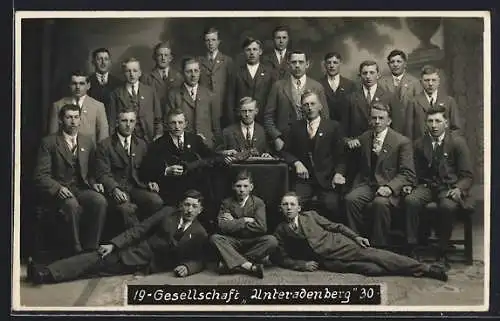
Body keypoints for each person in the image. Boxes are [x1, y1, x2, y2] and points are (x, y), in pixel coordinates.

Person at [26, 190, 209, 285]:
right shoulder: (168, 212)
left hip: (149, 265)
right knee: (96, 259)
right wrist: (114, 244)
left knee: (94, 265)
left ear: (200, 210)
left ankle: (45, 272)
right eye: (186, 205)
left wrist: (187, 267)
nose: (189, 210)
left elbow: (200, 259)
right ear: (180, 205)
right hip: (135, 252)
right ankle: (45, 272)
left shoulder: (200, 232)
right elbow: (140, 229)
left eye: (194, 207)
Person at [272, 192, 448, 281]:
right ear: (281, 208)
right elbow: (281, 258)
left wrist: (356, 238)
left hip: (340, 245)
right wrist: (301, 264)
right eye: (285, 204)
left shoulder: (310, 215)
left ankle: (426, 269)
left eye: (292, 204)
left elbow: (337, 226)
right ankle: (410, 270)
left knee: (376, 255)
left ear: (299, 207)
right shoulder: (280, 230)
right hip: (327, 261)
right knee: (372, 270)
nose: (289, 207)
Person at [403, 107, 473, 268]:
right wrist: (409, 185)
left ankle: (442, 251)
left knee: (447, 206)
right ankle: (412, 247)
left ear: (446, 123)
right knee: (410, 201)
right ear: (425, 123)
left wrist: (458, 188)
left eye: (438, 121)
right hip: (427, 186)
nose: (434, 125)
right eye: (430, 121)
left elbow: (467, 175)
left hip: (448, 187)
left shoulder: (457, 143)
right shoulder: (420, 144)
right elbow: (415, 172)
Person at [34, 104, 108, 255]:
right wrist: (58, 188)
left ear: (80, 120)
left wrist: (95, 184)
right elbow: (41, 176)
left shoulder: (87, 142)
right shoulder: (49, 143)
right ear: (61, 120)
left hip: (80, 189)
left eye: (76, 117)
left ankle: (91, 248)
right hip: (59, 192)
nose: (73, 122)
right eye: (69, 117)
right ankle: (76, 250)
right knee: (72, 205)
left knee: (99, 201)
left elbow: (92, 172)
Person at [344, 103, 415, 248]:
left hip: (390, 186)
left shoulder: (401, 142)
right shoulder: (366, 137)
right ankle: (357, 242)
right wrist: (350, 142)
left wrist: (390, 187)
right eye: (374, 118)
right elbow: (350, 143)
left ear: (389, 121)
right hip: (369, 185)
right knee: (350, 200)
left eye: (381, 118)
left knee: (380, 203)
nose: (377, 122)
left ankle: (379, 246)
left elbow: (407, 173)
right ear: (370, 120)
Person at [140, 108, 225, 212]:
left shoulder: (195, 139)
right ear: (167, 125)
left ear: (186, 124)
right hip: (170, 187)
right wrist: (166, 170)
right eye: (173, 123)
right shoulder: (158, 144)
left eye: (180, 122)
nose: (177, 126)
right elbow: (146, 169)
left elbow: (211, 157)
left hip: (194, 186)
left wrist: (193, 166)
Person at [280, 90, 346, 221]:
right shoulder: (295, 127)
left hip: (327, 180)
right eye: (306, 104)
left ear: (320, 106)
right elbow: (285, 151)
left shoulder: (333, 127)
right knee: (292, 205)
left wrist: (339, 173)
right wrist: (296, 163)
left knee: (331, 205)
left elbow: (341, 156)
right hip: (304, 181)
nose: (309, 107)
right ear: (301, 108)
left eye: (312, 104)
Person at [95, 107, 164, 228]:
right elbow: (102, 173)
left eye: (132, 121)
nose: (128, 125)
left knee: (156, 201)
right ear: (117, 122)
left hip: (136, 187)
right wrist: (114, 188)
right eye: (124, 121)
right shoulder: (105, 145)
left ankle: (148, 237)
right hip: (117, 189)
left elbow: (147, 169)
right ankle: (135, 243)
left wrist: (150, 182)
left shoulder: (141, 144)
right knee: (126, 209)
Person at [210, 170, 278, 278]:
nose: (242, 190)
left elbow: (261, 227)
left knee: (272, 241)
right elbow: (222, 226)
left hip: (252, 241)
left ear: (251, 187)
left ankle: (231, 264)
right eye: (238, 186)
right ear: (233, 187)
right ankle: (249, 266)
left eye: (245, 186)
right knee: (215, 238)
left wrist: (233, 222)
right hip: (233, 241)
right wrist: (245, 220)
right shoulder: (227, 203)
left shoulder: (258, 203)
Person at [264, 50, 329, 152]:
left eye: (301, 62)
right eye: (294, 62)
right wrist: (276, 138)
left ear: (307, 64)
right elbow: (268, 117)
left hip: (310, 140)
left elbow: (325, 117)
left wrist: (318, 139)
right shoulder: (278, 86)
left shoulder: (317, 87)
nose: (297, 65)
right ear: (288, 64)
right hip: (284, 141)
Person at [166, 57, 221, 149]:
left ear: (200, 72)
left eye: (196, 71)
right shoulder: (174, 95)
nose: (193, 75)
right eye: (189, 71)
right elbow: (168, 124)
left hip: (206, 145)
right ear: (182, 73)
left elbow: (216, 126)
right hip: (182, 145)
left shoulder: (209, 94)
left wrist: (213, 143)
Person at [108, 58, 163, 144]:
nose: (131, 74)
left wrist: (158, 135)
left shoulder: (150, 92)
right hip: (126, 140)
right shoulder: (116, 94)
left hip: (149, 138)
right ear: (123, 73)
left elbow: (158, 119)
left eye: (135, 71)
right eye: (128, 71)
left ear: (140, 73)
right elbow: (112, 123)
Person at [48, 70, 109, 144]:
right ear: (69, 85)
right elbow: (52, 137)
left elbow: (103, 137)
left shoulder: (98, 106)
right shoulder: (58, 105)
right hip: (64, 153)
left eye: (81, 83)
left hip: (90, 153)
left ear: (88, 86)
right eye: (74, 83)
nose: (77, 87)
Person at [405, 65, 462, 141]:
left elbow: (456, 129)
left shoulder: (449, 101)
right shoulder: (413, 102)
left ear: (439, 82)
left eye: (433, 80)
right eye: (427, 80)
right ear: (421, 82)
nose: (430, 84)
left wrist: (447, 144)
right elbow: (409, 131)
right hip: (421, 148)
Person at [227, 37, 275, 125]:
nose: (252, 53)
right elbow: (230, 100)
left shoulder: (269, 72)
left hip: (263, 122)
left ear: (260, 52)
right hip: (240, 121)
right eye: (248, 50)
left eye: (255, 49)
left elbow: (272, 100)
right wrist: (232, 122)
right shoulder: (236, 73)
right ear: (244, 52)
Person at [378, 49, 422, 134]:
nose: (395, 64)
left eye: (399, 61)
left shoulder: (414, 82)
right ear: (388, 64)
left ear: (405, 64)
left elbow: (418, 109)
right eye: (392, 62)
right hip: (388, 128)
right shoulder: (381, 83)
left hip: (409, 127)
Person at [198, 27, 234, 129]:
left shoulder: (227, 61)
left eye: (213, 40)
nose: (210, 43)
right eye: (207, 40)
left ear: (218, 42)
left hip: (223, 107)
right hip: (205, 107)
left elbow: (231, 87)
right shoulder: (199, 62)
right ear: (204, 42)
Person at [141, 42, 184, 108]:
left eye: (166, 55)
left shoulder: (178, 76)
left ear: (170, 58)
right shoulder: (146, 77)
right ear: (154, 57)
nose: (163, 58)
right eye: (160, 55)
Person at [87, 48, 122, 127]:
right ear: (93, 62)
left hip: (113, 126)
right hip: (92, 124)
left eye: (106, 59)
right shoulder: (86, 82)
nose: (103, 62)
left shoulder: (119, 83)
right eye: (99, 59)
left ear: (110, 62)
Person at [318, 52, 356, 123]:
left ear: (340, 64)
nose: (332, 65)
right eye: (329, 63)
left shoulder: (350, 85)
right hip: (325, 126)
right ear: (325, 64)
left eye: (335, 62)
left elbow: (353, 111)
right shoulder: (318, 84)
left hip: (345, 128)